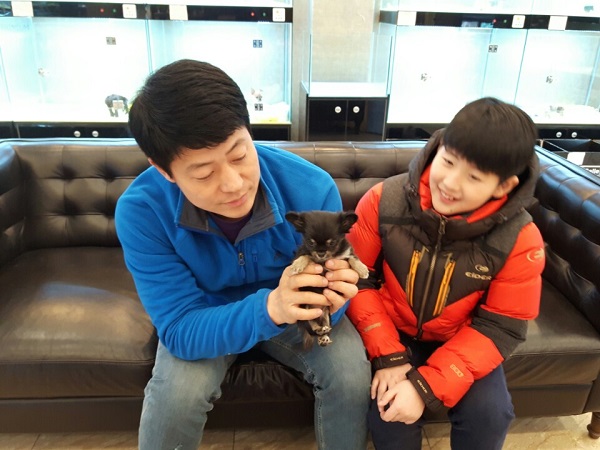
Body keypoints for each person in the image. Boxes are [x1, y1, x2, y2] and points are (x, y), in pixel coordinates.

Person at [115, 59, 371, 450]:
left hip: (296, 314)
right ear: (164, 170)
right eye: (204, 173)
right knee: (176, 396)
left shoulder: (311, 188)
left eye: (239, 155)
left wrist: (332, 301)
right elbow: (181, 328)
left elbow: (332, 301)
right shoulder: (142, 211)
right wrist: (269, 308)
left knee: (351, 376)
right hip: (206, 313)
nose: (234, 185)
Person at [346, 97, 546, 450]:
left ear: (503, 186)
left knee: (490, 414)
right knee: (387, 412)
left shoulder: (520, 238)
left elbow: (502, 326)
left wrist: (425, 387)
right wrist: (387, 355)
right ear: (436, 148)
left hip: (463, 337)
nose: (450, 183)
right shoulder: (383, 199)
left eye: (473, 177)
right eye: (448, 161)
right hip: (393, 331)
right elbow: (357, 279)